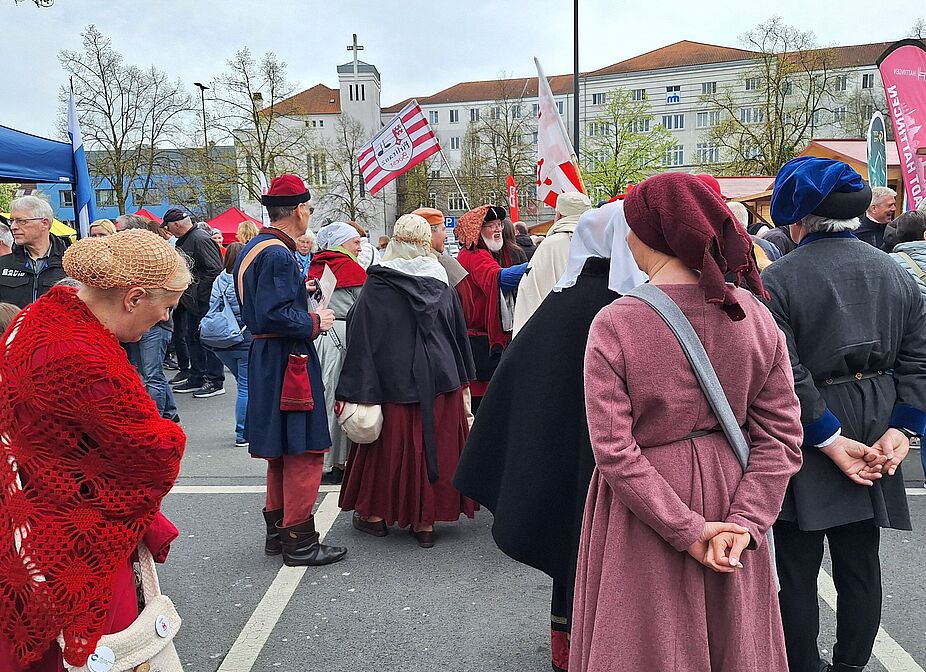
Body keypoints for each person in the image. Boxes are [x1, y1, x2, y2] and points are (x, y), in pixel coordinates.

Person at [569, 173, 804, 672]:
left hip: (647, 507)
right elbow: (782, 438)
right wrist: (745, 523)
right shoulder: (756, 317)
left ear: (648, 234)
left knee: (648, 646)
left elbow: (614, 451)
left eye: (630, 225)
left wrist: (688, 529)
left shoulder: (616, 323)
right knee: (737, 646)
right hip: (734, 490)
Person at [455, 201, 646, 671]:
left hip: (569, 456)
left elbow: (516, 371)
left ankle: (570, 652)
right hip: (629, 462)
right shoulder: (636, 308)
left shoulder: (561, 303)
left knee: (572, 551)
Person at [762, 157, 926, 672]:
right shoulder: (895, 272)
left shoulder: (775, 281)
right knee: (861, 566)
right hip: (877, 423)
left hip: (803, 431)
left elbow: (783, 370)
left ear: (796, 221)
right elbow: (919, 357)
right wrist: (904, 428)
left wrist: (827, 438)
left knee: (797, 569)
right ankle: (851, 666)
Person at [0, 229, 188, 672]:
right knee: (98, 648)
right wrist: (172, 435)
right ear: (133, 298)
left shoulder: (38, 316)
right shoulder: (85, 355)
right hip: (69, 525)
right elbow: (151, 452)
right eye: (166, 307)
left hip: (26, 510)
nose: (164, 320)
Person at [337, 214, 476, 547]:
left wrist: (357, 384)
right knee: (436, 446)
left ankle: (377, 516)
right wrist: (464, 376)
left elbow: (363, 336)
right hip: (441, 377)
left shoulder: (378, 283)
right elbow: (457, 330)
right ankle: (424, 524)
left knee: (390, 450)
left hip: (393, 379)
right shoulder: (440, 278)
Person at [234, 174, 346, 567]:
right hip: (288, 360)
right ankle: (299, 542)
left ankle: (277, 535)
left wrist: (305, 295)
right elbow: (276, 314)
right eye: (309, 209)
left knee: (281, 451)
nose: (309, 214)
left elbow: (266, 309)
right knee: (303, 450)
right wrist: (316, 322)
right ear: (299, 210)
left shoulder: (255, 245)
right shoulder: (279, 254)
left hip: (268, 357)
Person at [308, 222, 367, 483]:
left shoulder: (317, 264)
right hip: (342, 335)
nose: (360, 246)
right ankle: (337, 461)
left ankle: (323, 457)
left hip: (319, 335)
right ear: (342, 244)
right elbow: (364, 306)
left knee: (322, 396)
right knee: (339, 398)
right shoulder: (349, 267)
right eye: (355, 242)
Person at [456, 205, 528, 411]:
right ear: (477, 230)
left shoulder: (490, 252)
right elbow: (499, 279)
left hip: (484, 338)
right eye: (490, 225)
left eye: (499, 224)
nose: (498, 230)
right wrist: (540, 262)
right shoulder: (474, 254)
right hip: (479, 340)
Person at [120, 218, 181, 423]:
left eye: (119, 231)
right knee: (148, 373)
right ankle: (170, 414)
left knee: (151, 374)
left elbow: (174, 292)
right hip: (136, 323)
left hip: (155, 326)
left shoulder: (156, 259)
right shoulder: (122, 261)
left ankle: (153, 420)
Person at [162, 207, 226, 398]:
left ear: (175, 225)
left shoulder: (199, 239)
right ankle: (197, 375)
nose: (168, 232)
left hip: (202, 300)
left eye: (168, 228)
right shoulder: (190, 238)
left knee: (205, 339)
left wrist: (194, 290)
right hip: (192, 299)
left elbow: (214, 269)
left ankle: (214, 380)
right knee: (193, 338)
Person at [512, 191, 592, 336]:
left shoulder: (551, 245)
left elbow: (531, 292)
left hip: (556, 332)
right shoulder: (601, 244)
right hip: (590, 330)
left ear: (559, 215)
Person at [206, 242, 252, 447]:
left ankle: (247, 426)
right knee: (245, 386)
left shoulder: (219, 280)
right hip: (243, 338)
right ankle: (243, 431)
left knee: (242, 382)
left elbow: (212, 306)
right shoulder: (246, 279)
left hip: (221, 341)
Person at [0, 196, 68, 308]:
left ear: (44, 223)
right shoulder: (3, 265)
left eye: (21, 221)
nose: (13, 227)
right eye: (11, 221)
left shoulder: (70, 265)